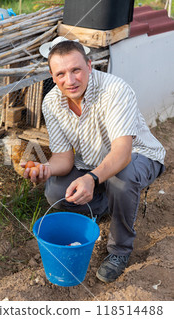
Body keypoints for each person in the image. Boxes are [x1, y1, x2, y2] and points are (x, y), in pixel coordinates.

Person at [23, 37, 166, 283]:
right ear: (52, 75)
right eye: (61, 74)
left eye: (76, 70)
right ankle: (105, 206)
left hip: (140, 155)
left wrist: (90, 179)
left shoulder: (114, 90)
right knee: (55, 189)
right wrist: (45, 168)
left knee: (122, 178)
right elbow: (64, 159)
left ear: (89, 65)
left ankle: (120, 251)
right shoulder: (51, 102)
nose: (70, 80)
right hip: (92, 164)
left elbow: (122, 154)